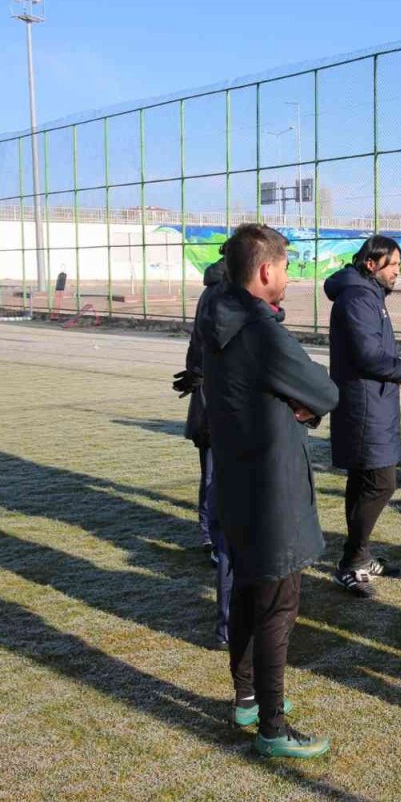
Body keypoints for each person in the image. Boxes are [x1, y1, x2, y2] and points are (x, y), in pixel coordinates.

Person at [199, 223, 340, 759]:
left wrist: (291, 401)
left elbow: (297, 394)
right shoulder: (260, 329)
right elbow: (323, 390)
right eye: (285, 266)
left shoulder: (216, 316)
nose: (289, 275)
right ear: (265, 271)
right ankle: (273, 728)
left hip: (235, 483)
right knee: (278, 606)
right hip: (273, 489)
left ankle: (247, 700)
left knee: (244, 592)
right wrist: (298, 403)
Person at [325, 235, 401, 598]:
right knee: (381, 482)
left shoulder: (367, 294)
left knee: (365, 481)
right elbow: (367, 356)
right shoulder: (359, 297)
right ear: (371, 264)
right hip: (364, 407)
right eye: (393, 266)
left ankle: (360, 553)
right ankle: (352, 561)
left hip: (372, 403)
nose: (397, 272)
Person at [173, 254, 232, 648]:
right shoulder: (217, 294)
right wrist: (198, 378)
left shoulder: (227, 291)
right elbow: (203, 346)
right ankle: (210, 537)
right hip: (214, 400)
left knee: (219, 474)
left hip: (221, 397)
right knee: (213, 473)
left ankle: (213, 535)